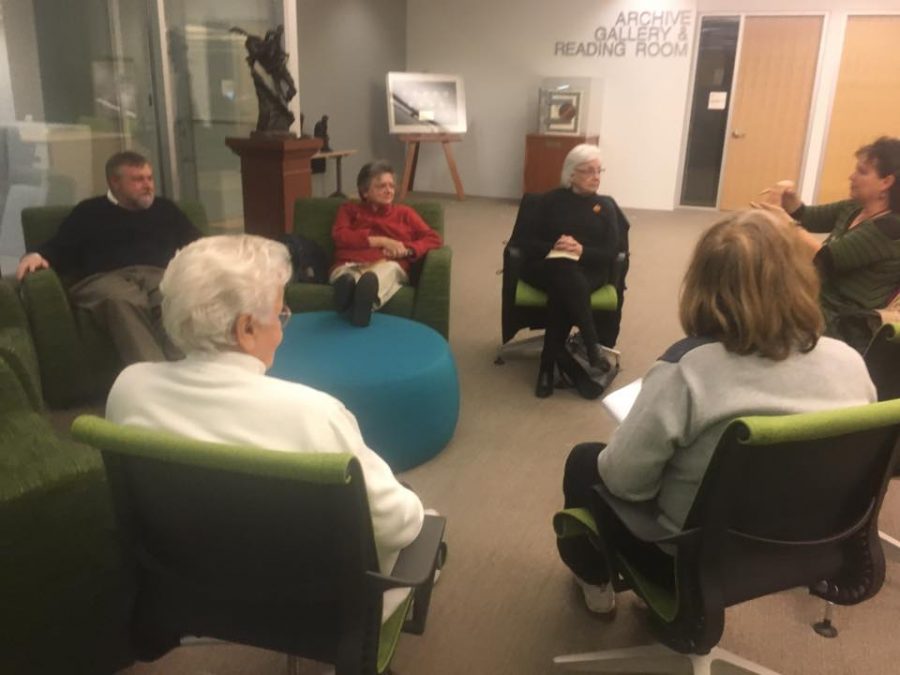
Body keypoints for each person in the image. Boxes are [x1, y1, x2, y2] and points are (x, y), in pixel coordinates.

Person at [557, 209, 875, 615]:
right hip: (808, 548)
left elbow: (625, 484)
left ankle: (596, 580)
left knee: (586, 460)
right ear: (801, 280)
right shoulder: (850, 363)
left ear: (703, 286)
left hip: (686, 563)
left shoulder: (688, 372)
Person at [105, 234, 425, 623]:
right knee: (419, 521)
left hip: (191, 586)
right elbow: (396, 524)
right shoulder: (313, 414)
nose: (283, 328)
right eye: (280, 314)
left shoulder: (129, 387)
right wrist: (413, 505)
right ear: (246, 330)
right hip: (313, 606)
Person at [15, 151, 200, 364]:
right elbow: (60, 246)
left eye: (149, 178)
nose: (148, 185)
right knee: (122, 300)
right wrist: (36, 255)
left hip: (157, 275)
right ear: (115, 182)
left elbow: (197, 243)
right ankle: (151, 374)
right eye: (138, 180)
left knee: (172, 296)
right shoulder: (89, 211)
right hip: (104, 279)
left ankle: (184, 371)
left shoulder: (165, 209)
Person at [759, 136, 900, 351]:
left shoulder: (890, 227)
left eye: (862, 172)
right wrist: (790, 199)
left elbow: (826, 259)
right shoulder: (854, 207)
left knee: (762, 303)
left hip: (845, 323)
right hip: (822, 303)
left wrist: (785, 224)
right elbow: (806, 215)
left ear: (886, 182)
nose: (851, 177)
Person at [518, 144, 628, 398]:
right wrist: (554, 245)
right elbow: (524, 242)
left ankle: (548, 365)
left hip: (590, 271)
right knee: (563, 269)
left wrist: (581, 250)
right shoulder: (550, 201)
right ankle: (591, 345)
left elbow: (612, 251)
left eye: (599, 171)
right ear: (571, 173)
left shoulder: (606, 206)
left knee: (564, 284)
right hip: (546, 266)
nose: (596, 176)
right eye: (588, 171)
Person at [330, 160, 442, 327]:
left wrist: (408, 250)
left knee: (383, 273)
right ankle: (351, 293)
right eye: (381, 186)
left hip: (388, 264)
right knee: (346, 275)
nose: (389, 190)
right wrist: (381, 241)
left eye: (391, 186)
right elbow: (340, 236)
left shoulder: (405, 213)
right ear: (365, 191)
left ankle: (359, 300)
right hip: (350, 264)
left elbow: (434, 238)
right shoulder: (349, 210)